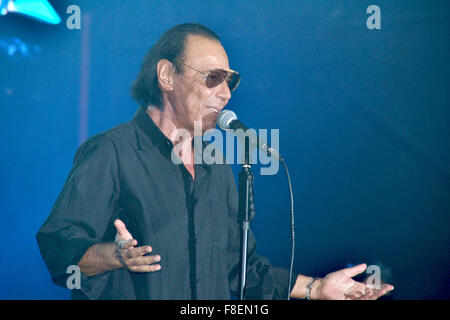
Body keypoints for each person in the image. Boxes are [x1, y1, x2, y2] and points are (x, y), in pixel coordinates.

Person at [36, 23, 394, 300]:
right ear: (166, 76)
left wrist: (316, 288)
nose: (224, 93)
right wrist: (112, 255)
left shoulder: (217, 167)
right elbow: (58, 246)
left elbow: (242, 271)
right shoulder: (112, 152)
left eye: (230, 81)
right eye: (212, 78)